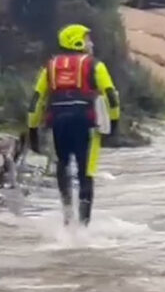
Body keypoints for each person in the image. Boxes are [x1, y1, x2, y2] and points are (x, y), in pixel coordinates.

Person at [27, 24, 121, 226]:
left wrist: (32, 130)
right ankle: (83, 226)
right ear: (77, 41)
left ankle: (67, 218)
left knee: (63, 165)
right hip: (86, 124)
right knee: (85, 172)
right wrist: (114, 122)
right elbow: (111, 96)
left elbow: (36, 101)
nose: (91, 43)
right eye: (87, 39)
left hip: (59, 124)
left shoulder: (49, 67)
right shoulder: (95, 65)